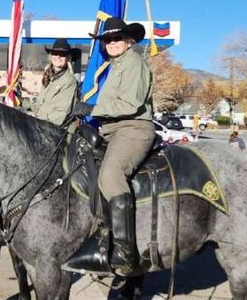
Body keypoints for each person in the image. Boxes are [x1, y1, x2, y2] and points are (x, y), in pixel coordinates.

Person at [63, 17, 154, 275]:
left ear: (128, 41)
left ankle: (125, 252)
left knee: (111, 175)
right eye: (107, 39)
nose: (111, 43)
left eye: (117, 38)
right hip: (112, 130)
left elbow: (129, 105)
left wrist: (93, 108)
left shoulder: (133, 63)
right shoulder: (116, 66)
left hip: (133, 129)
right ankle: (101, 234)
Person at [21, 38, 80, 127]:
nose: (58, 56)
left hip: (57, 132)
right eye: (55, 53)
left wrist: (36, 121)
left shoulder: (69, 81)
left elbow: (60, 115)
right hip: (42, 126)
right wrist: (23, 102)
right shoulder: (49, 77)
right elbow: (39, 106)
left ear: (68, 58)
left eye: (62, 54)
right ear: (51, 56)